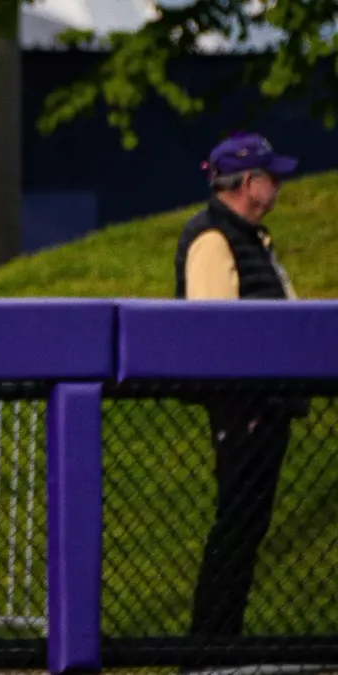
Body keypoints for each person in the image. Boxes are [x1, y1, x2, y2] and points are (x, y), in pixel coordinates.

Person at [175, 132, 307, 643]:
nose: (277, 187)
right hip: (245, 412)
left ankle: (220, 640)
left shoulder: (249, 237)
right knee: (236, 527)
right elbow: (215, 336)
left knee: (246, 528)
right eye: (270, 177)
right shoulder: (214, 237)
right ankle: (211, 644)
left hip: (264, 407)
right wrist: (243, 405)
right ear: (249, 183)